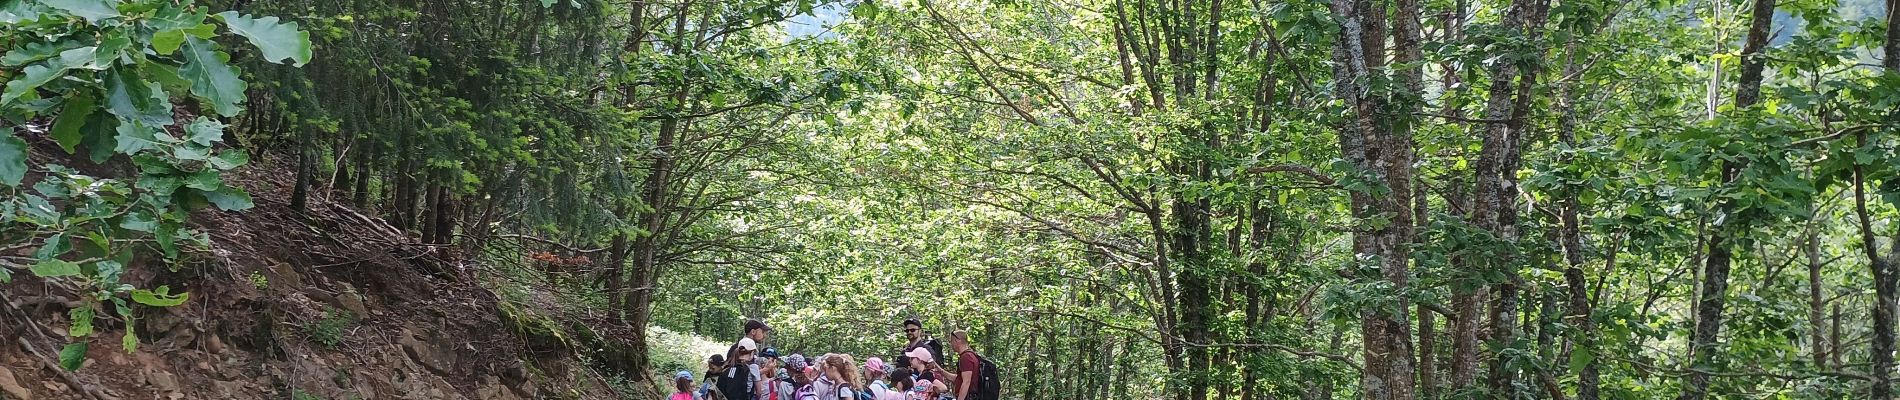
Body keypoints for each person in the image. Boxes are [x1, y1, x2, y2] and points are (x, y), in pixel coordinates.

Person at [947, 331, 983, 400]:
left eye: (951, 341)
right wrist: (940, 370)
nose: (951, 344)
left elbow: (966, 382)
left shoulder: (966, 357)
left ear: (957, 341)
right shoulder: (971, 355)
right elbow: (958, 378)